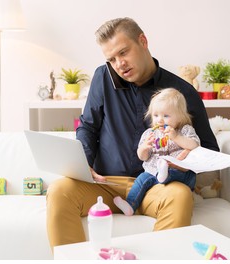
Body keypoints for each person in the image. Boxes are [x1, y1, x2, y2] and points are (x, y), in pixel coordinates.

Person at [46, 17, 219, 249]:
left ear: (143, 41)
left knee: (180, 196)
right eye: (112, 59)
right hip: (105, 182)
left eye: (123, 53)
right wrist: (83, 164)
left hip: (159, 185)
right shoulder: (103, 77)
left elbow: (209, 149)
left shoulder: (182, 92)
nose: (119, 64)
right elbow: (88, 126)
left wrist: (187, 160)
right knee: (59, 190)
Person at [113, 88, 200, 216]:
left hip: (180, 172)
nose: (160, 120)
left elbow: (194, 145)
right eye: (156, 115)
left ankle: (165, 173)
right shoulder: (150, 133)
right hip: (154, 171)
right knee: (141, 179)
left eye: (166, 116)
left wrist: (176, 137)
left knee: (184, 174)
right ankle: (130, 205)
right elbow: (142, 157)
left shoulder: (185, 130)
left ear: (180, 116)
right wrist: (144, 148)